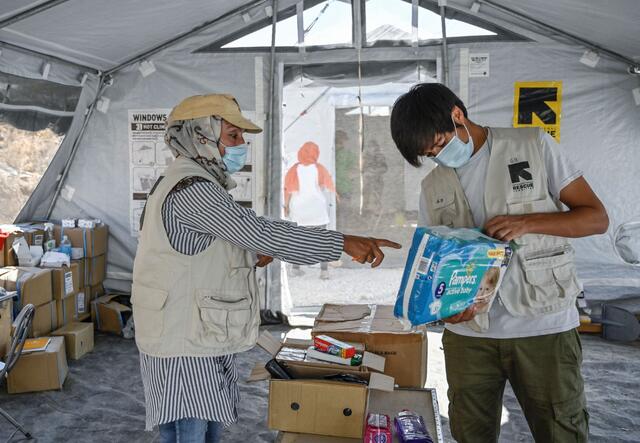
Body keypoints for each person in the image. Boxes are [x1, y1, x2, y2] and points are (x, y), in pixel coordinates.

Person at [131, 94, 400, 443]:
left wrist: (247, 254)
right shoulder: (192, 189)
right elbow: (262, 233)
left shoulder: (192, 181)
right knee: (190, 433)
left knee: (203, 429)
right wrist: (342, 242)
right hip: (184, 341)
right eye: (232, 136)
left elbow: (206, 247)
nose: (242, 145)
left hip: (191, 333)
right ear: (200, 136)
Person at [390, 83, 608, 442]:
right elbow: (434, 261)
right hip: (469, 335)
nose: (440, 157)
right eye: (431, 154)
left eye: (442, 144)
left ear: (457, 115)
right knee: (470, 432)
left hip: (543, 325)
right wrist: (441, 311)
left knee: (561, 429)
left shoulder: (532, 145)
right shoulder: (433, 186)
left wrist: (528, 222)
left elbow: (596, 218)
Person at [284, 141, 336, 279]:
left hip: (299, 209)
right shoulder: (319, 169)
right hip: (317, 208)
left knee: (297, 240)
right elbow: (325, 186)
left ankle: (295, 268)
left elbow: (288, 190)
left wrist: (286, 206)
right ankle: (324, 272)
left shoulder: (294, 169)